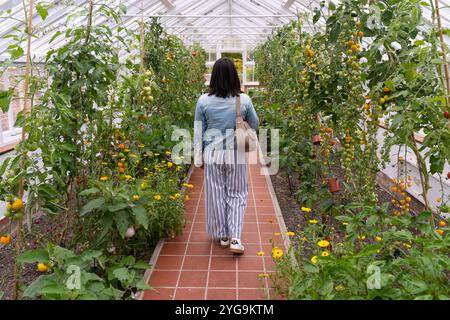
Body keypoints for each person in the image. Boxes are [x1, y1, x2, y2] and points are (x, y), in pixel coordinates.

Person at [193, 58, 259, 254]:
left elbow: (198, 130)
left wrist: (199, 157)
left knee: (216, 194)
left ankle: (222, 234)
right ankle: (235, 239)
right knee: (237, 193)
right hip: (235, 153)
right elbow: (254, 124)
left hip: (212, 154)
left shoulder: (203, 100)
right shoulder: (244, 100)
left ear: (213, 77)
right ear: (234, 77)